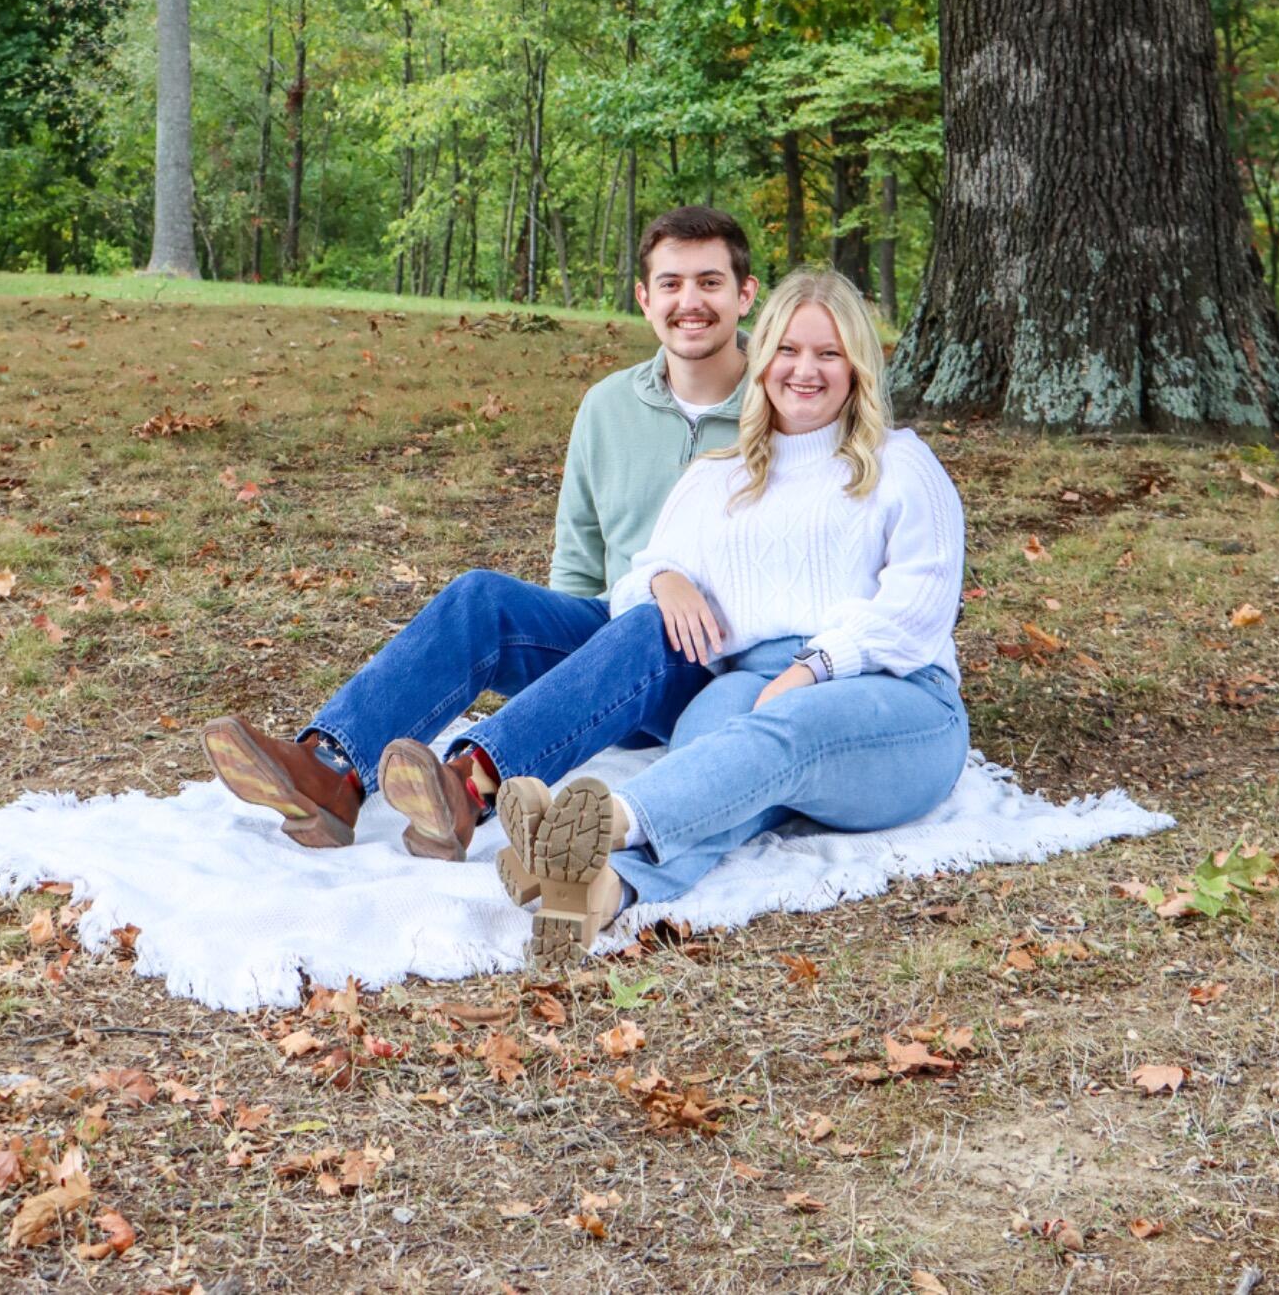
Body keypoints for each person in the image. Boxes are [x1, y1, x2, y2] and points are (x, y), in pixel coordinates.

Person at [201, 206, 758, 870]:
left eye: (709, 283)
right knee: (480, 599)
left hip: (711, 665)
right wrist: (576, 686)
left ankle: (468, 789)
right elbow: (578, 565)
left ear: (745, 294)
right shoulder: (608, 406)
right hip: (615, 641)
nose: (688, 301)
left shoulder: (779, 407)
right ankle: (332, 775)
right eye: (670, 284)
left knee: (645, 623)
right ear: (644, 297)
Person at [489, 267, 969, 961]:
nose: (806, 371)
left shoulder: (901, 464)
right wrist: (666, 579)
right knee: (714, 755)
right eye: (789, 351)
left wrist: (815, 668)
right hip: (750, 680)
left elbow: (919, 609)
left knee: (783, 732)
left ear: (858, 366)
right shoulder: (717, 477)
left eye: (829, 354)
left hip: (898, 698)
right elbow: (631, 589)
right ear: (761, 357)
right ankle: (598, 891)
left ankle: (605, 823)